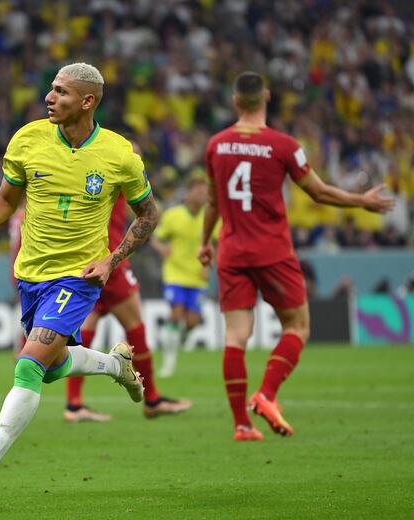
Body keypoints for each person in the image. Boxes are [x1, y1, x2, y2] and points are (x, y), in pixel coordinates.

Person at [0, 62, 159, 502]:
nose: (49, 98)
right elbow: (5, 199)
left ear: (88, 101)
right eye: (51, 90)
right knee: (54, 366)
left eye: (60, 92)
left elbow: (148, 214)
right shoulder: (27, 139)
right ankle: (116, 366)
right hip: (31, 274)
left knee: (29, 364)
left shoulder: (119, 155)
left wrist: (112, 261)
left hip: (77, 278)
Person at [199, 72, 394, 442]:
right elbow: (319, 193)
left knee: (236, 338)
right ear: (266, 97)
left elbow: (212, 201)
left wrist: (204, 241)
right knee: (298, 327)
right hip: (272, 250)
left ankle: (242, 424)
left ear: (236, 102)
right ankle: (267, 394)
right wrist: (362, 201)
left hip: (232, 250)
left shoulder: (216, 145)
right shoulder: (284, 145)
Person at [67, 189, 192, 422]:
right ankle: (152, 399)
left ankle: (74, 403)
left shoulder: (84, 164)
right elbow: (145, 211)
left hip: (84, 259)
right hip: (110, 259)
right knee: (136, 327)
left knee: (86, 327)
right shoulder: (118, 162)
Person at [151, 177, 216, 378]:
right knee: (177, 313)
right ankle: (169, 361)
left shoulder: (211, 215)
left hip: (197, 276)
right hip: (175, 274)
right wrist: (163, 249)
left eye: (206, 191)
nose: (203, 195)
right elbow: (155, 237)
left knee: (192, 322)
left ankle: (173, 340)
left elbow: (217, 242)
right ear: (189, 193)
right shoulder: (173, 215)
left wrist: (210, 266)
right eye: (199, 190)